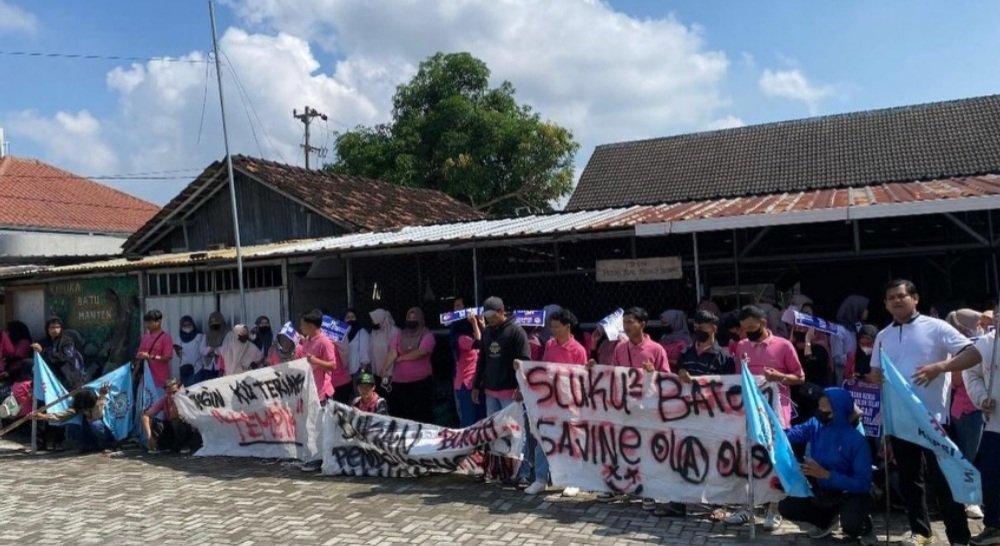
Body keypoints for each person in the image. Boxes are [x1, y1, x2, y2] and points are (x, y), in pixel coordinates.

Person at [867, 279, 982, 546]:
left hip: (934, 420)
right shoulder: (882, 335)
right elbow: (875, 371)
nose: (896, 300)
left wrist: (940, 367)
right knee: (910, 480)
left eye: (901, 296)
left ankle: (958, 537)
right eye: (891, 297)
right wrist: (875, 377)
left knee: (944, 481)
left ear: (915, 298)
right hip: (901, 421)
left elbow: (974, 354)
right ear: (885, 304)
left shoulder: (937, 327)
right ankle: (921, 532)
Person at [725, 304, 804, 531]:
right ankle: (746, 507)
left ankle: (773, 509)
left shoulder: (783, 345)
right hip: (748, 411)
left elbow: (799, 376)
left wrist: (779, 376)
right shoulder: (741, 346)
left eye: (752, 327)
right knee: (747, 459)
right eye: (744, 328)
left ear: (763, 323)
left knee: (773, 459)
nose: (748, 332)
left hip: (776, 412)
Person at [779, 388, 876, 545]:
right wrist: (770, 430)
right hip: (824, 490)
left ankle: (863, 520)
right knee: (787, 506)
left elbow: (863, 483)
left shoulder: (857, 440)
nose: (819, 411)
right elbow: (792, 434)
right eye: (819, 406)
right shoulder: (815, 424)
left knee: (851, 525)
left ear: (837, 410)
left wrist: (827, 475)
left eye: (824, 408)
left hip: (849, 492)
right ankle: (825, 521)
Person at [524, 308, 588, 497]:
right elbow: (544, 370)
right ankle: (541, 479)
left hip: (570, 404)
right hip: (549, 403)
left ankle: (573, 480)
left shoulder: (579, 350)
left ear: (568, 327)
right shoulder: (550, 345)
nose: (553, 330)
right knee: (543, 440)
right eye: (551, 326)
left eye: (557, 327)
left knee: (571, 443)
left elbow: (582, 379)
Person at [945, 308, 987, 520]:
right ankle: (968, 501)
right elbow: (956, 382)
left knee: (983, 457)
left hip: (986, 410)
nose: (981, 326)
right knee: (967, 457)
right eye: (977, 324)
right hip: (967, 411)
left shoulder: (987, 343)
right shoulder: (961, 350)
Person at [964, 328, 1000, 546]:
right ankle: (995, 526)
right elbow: (971, 373)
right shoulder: (985, 344)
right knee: (991, 478)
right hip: (994, 426)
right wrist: (981, 397)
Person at [472, 297, 531, 416]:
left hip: (511, 393)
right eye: (486, 315)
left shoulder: (517, 332)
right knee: (494, 430)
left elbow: (525, 362)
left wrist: (521, 388)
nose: (489, 319)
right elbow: (482, 360)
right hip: (490, 392)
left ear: (500, 312)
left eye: (492, 315)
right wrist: (476, 385)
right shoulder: (487, 332)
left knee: (513, 432)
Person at [384, 307, 435, 422]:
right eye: (409, 318)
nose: (411, 320)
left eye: (414, 318)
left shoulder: (427, 334)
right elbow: (392, 352)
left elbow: (422, 351)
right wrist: (384, 369)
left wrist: (402, 358)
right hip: (400, 383)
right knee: (401, 414)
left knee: (420, 415)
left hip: (420, 383)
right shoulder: (400, 335)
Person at [33, 383, 114, 453]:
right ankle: (90, 445)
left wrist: (102, 395)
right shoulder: (78, 407)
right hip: (90, 433)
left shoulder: (99, 402)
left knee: (96, 424)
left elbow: (98, 415)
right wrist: (42, 416)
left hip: (107, 430)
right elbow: (61, 415)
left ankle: (109, 445)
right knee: (73, 425)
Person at [142, 378, 197, 454]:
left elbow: (175, 415)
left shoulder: (186, 398)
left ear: (180, 389)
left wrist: (176, 402)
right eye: (168, 393)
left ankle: (185, 445)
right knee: (155, 422)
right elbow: (146, 416)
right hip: (172, 428)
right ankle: (164, 445)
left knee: (176, 421)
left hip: (186, 428)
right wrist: (149, 437)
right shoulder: (164, 399)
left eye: (174, 392)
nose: (171, 396)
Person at [32, 317, 88, 390]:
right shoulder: (43, 342)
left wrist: (43, 351)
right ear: (47, 329)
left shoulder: (67, 341)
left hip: (66, 377)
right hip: (49, 377)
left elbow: (64, 356)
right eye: (52, 327)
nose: (55, 330)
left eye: (58, 327)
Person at [608, 307, 670, 372]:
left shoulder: (657, 349)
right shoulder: (619, 348)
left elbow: (665, 378)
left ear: (642, 324)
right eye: (624, 322)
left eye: (630, 322)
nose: (626, 326)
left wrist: (653, 373)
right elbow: (613, 374)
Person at [299, 310, 338, 403]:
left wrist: (316, 361)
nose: (300, 327)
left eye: (302, 325)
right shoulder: (308, 339)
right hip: (310, 391)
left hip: (322, 394)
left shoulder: (325, 342)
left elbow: (333, 366)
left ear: (311, 326)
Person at [453, 312, 484, 428]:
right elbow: (478, 342)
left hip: (475, 383)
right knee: (469, 421)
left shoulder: (473, 335)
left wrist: (482, 324)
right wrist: (475, 323)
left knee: (480, 418)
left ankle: (479, 445)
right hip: (466, 385)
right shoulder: (462, 339)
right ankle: (468, 445)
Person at [833, 295, 869, 385]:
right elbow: (837, 358)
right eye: (864, 308)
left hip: (858, 376)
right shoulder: (839, 330)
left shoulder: (856, 327)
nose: (866, 312)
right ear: (855, 309)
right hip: (843, 378)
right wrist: (853, 358)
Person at [137, 310, 174, 388]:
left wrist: (150, 357)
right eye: (146, 323)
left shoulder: (166, 338)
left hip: (160, 380)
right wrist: (141, 355)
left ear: (159, 322)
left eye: (150, 323)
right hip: (145, 379)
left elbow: (167, 357)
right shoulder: (145, 337)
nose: (148, 325)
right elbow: (138, 354)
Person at [369, 308, 400, 393]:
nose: (372, 322)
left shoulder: (394, 331)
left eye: (373, 319)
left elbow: (394, 352)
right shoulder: (374, 331)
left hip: (389, 372)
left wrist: (386, 369)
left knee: (388, 393)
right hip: (376, 372)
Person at [174, 316, 205, 386]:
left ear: (193, 324)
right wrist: (177, 351)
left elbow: (203, 351)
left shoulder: (199, 336)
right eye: (184, 325)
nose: (187, 327)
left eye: (189, 324)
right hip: (184, 370)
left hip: (197, 369)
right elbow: (179, 355)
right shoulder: (179, 338)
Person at [198, 311, 229, 381]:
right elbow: (202, 349)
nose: (215, 325)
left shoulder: (226, 334)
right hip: (208, 367)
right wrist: (211, 349)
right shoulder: (207, 334)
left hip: (221, 368)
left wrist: (214, 350)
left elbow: (225, 349)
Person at [344, 309, 371, 387]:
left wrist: (363, 370)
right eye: (348, 317)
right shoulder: (342, 334)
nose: (350, 319)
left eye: (353, 317)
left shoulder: (362, 332)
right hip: (344, 372)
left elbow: (365, 352)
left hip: (358, 371)